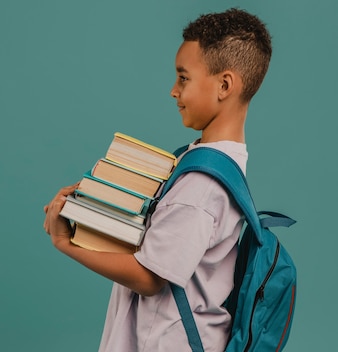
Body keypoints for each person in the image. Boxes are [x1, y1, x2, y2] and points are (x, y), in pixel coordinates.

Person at [43, 8, 273, 352]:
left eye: (183, 78)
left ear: (224, 85)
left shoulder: (201, 185)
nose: (173, 90)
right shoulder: (212, 163)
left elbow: (150, 277)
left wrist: (66, 243)